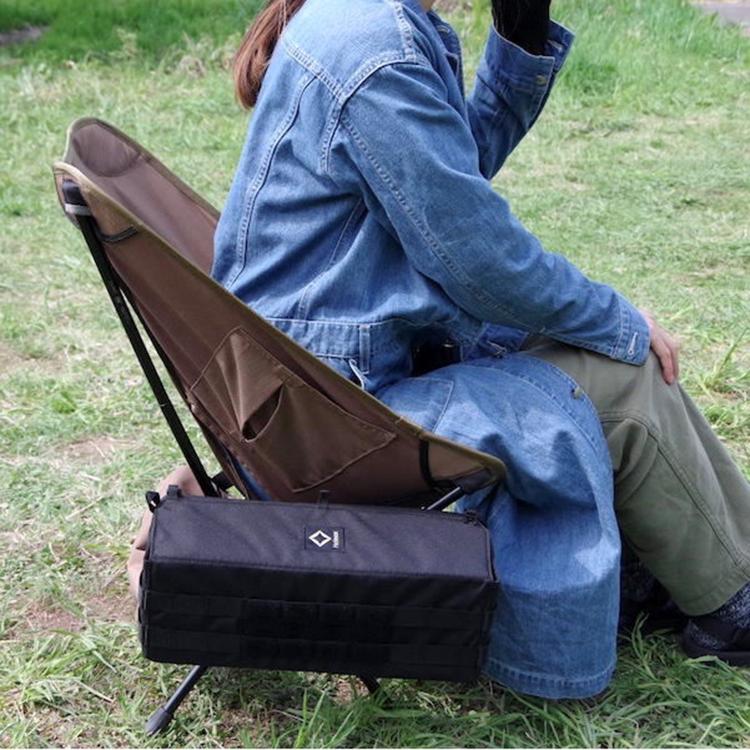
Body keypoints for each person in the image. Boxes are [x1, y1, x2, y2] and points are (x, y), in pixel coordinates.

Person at [128, 0, 750, 696]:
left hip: (309, 382)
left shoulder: (359, 21)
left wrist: (518, 41)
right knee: (625, 373)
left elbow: (441, 178)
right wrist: (619, 319)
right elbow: (479, 259)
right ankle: (732, 605)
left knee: (583, 339)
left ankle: (684, 568)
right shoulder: (375, 50)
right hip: (337, 411)